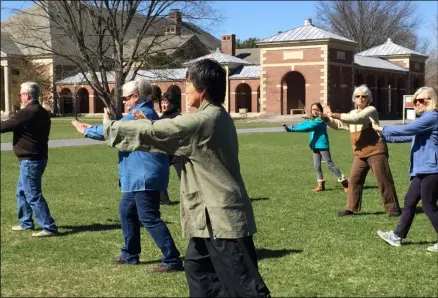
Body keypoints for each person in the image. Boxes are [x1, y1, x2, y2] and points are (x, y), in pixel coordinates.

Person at [103, 59, 271, 297]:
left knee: (245, 286)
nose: (186, 89)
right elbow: (167, 137)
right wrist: (148, 125)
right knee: (198, 269)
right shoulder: (214, 116)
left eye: (189, 83)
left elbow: (161, 132)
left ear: (202, 90)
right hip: (207, 218)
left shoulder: (203, 120)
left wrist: (111, 127)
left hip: (222, 218)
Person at [72, 79, 183, 272]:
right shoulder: (145, 113)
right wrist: (105, 126)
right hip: (141, 175)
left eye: (125, 98)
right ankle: (130, 254)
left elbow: (114, 131)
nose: (123, 101)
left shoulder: (138, 114)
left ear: (136, 97)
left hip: (144, 175)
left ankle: (172, 259)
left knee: (149, 217)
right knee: (126, 210)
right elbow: (115, 128)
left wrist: (86, 130)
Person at [371, 86, 438, 253]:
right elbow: (410, 135)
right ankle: (397, 236)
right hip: (421, 169)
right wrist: (384, 136)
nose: (417, 103)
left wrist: (383, 129)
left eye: (421, 100)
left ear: (432, 100)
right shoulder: (426, 121)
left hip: (432, 169)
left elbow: (408, 129)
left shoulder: (432, 117)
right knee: (409, 201)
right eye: (415, 100)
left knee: (429, 205)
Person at [321, 84, 401, 217]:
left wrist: (334, 114)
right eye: (358, 96)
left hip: (376, 151)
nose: (361, 98)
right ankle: (351, 208)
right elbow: (339, 124)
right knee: (354, 180)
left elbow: (356, 119)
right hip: (360, 153)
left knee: (383, 180)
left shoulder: (371, 110)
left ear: (369, 98)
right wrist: (326, 119)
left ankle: (393, 209)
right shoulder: (351, 113)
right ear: (354, 99)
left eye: (364, 96)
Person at [0, 82, 58, 237]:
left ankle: (49, 226)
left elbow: (4, 126)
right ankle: (26, 222)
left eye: (20, 94)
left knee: (32, 194)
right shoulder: (42, 112)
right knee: (22, 192)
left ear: (26, 95)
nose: (20, 97)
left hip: (30, 160)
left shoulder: (27, 112)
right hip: (38, 158)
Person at [283, 102, 348, 192]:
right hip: (314, 145)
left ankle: (345, 183)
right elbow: (303, 125)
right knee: (316, 166)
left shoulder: (320, 120)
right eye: (313, 109)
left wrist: (293, 129)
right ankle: (320, 185)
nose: (315, 111)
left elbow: (308, 127)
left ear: (320, 110)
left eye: (317, 109)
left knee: (330, 164)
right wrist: (290, 128)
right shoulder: (311, 119)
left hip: (322, 145)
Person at [158, 92, 182, 205]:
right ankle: (163, 199)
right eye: (162, 102)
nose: (163, 105)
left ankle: (192, 197)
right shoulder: (160, 118)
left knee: (184, 176)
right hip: (164, 152)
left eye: (166, 102)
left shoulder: (178, 117)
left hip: (177, 152)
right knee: (160, 174)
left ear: (172, 104)